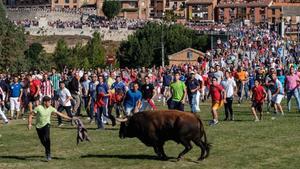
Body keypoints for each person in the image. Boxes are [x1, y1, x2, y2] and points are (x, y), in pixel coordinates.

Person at [28, 96, 74, 161]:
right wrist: (29, 124)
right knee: (43, 141)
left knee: (47, 139)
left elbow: (60, 114)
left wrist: (70, 118)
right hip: (38, 126)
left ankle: (48, 154)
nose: (50, 103)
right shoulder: (38, 108)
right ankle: (47, 149)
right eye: (49, 102)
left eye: (50, 102)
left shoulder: (51, 108)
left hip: (47, 125)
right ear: (44, 102)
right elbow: (30, 115)